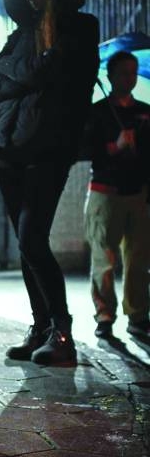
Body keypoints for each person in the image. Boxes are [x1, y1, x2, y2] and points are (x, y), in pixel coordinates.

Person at [0, 0, 100, 365]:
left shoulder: (81, 29)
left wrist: (15, 71)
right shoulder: (21, 35)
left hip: (49, 149)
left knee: (33, 238)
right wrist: (25, 72)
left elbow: (43, 73)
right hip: (10, 149)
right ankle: (40, 327)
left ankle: (62, 333)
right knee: (26, 245)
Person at [84, 50, 150, 340]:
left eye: (133, 72)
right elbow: (87, 149)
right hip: (105, 193)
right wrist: (116, 146)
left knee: (139, 260)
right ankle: (105, 314)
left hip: (138, 194)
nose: (129, 78)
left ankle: (138, 315)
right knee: (104, 259)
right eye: (123, 73)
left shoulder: (145, 112)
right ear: (110, 76)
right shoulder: (97, 112)